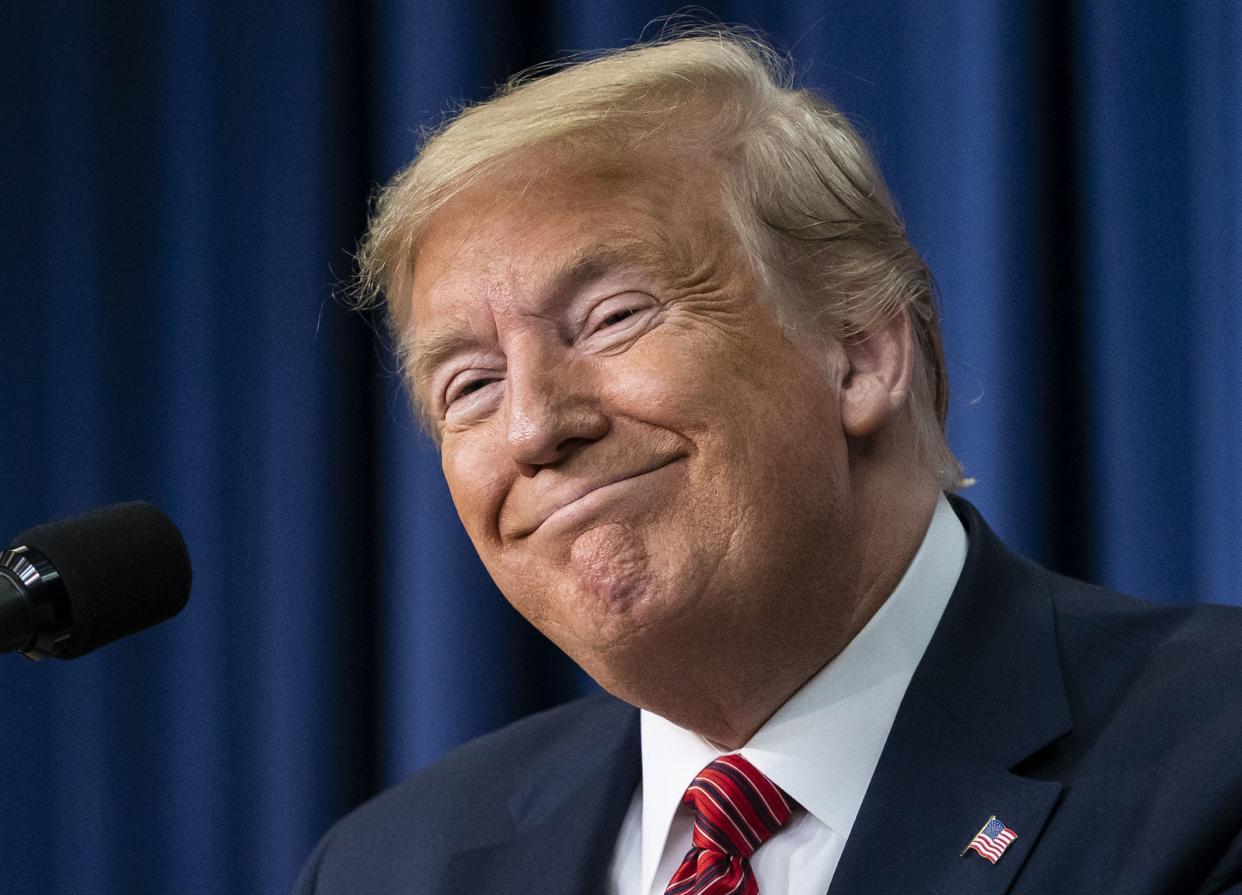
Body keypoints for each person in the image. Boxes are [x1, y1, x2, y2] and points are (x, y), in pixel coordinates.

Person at [294, 30, 1242, 894]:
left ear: (860, 351)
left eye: (614, 317)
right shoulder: (387, 865)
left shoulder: (1211, 757)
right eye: (471, 385)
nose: (536, 426)